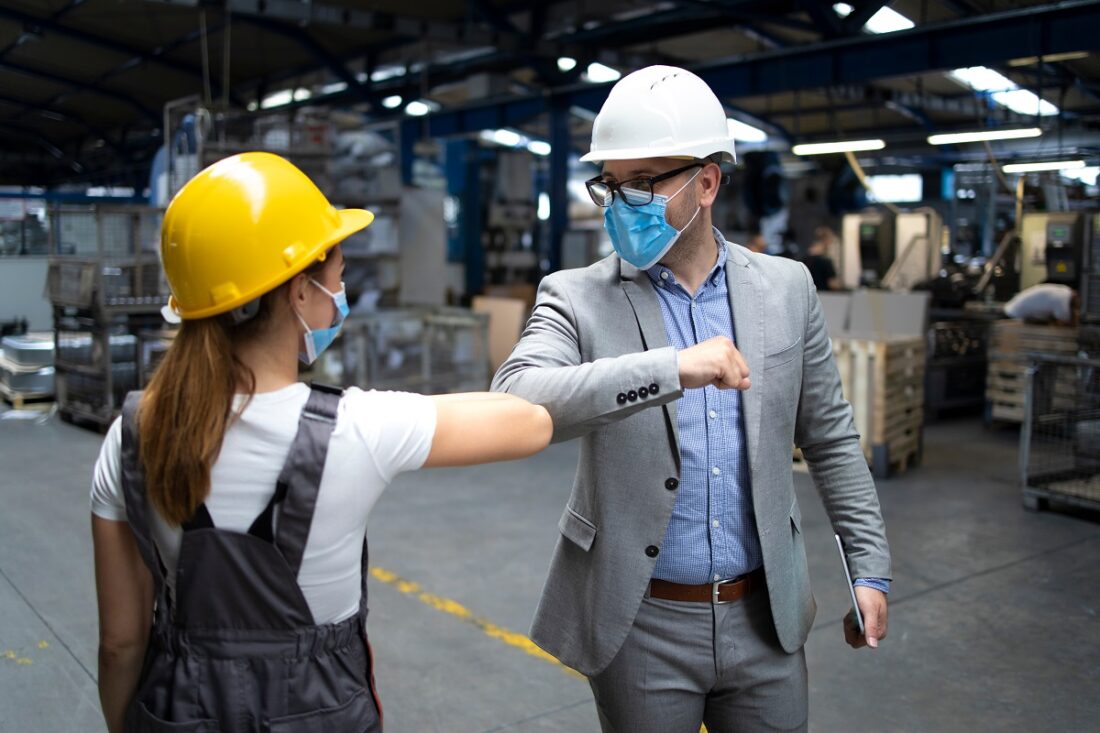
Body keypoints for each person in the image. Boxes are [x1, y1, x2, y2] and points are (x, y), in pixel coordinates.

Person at [91, 153, 552, 733]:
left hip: (177, 710)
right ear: (299, 293)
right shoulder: (355, 429)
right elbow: (531, 421)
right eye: (337, 272)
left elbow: (120, 643)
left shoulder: (131, 434)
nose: (341, 289)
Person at [492, 66, 890, 733]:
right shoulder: (574, 295)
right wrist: (669, 367)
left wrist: (870, 567)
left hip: (766, 618)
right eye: (610, 185)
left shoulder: (787, 290)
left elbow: (830, 436)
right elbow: (518, 395)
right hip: (640, 621)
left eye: (644, 183)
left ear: (706, 183)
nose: (622, 204)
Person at [804, 225, 841, 291]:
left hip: (808, 296)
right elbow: (833, 285)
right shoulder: (826, 261)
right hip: (823, 297)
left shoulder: (804, 259)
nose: (830, 244)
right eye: (831, 241)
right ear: (826, 240)